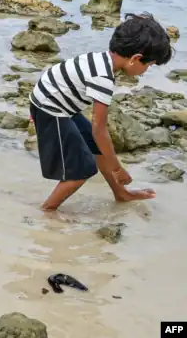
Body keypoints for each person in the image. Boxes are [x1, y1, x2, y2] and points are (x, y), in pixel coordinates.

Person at [30, 13, 171, 211]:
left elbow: (98, 136)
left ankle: (121, 193)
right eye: (148, 65)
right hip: (50, 109)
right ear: (135, 59)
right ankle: (47, 210)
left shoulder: (102, 60)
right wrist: (118, 168)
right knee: (81, 171)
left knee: (98, 149)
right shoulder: (103, 77)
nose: (146, 70)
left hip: (56, 102)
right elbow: (99, 129)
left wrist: (113, 162)